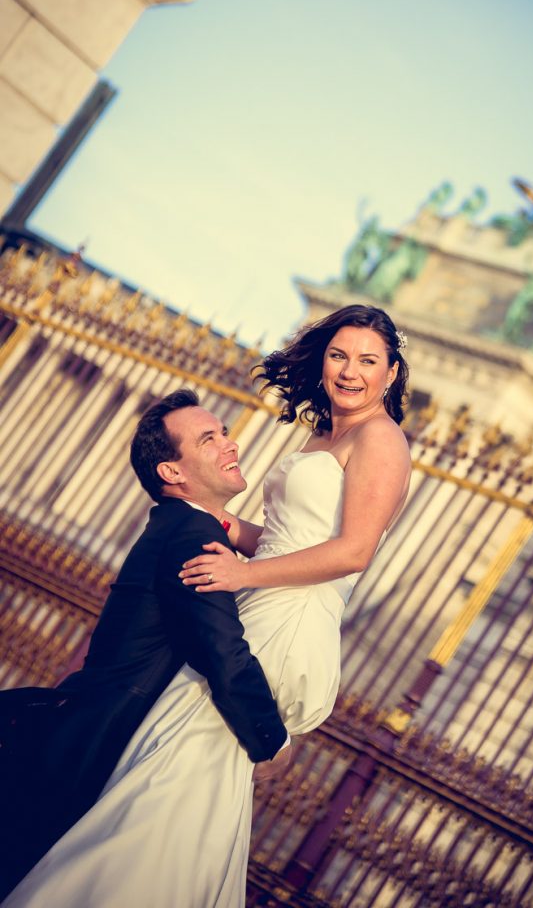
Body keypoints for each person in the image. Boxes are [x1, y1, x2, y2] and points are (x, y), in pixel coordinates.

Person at [4, 304, 412, 908]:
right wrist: (222, 524)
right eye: (339, 355)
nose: (350, 371)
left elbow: (353, 551)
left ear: (392, 372)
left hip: (287, 618)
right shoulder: (329, 434)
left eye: (368, 361)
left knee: (179, 768)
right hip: (261, 599)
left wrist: (245, 572)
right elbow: (288, 537)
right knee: (187, 776)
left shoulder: (381, 437)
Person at [0, 389, 290, 902]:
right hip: (99, 742)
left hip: (89, 729)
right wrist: (273, 740)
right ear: (171, 472)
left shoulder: (182, 525)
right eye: (208, 439)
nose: (231, 444)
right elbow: (221, 649)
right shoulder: (191, 535)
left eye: (224, 432)